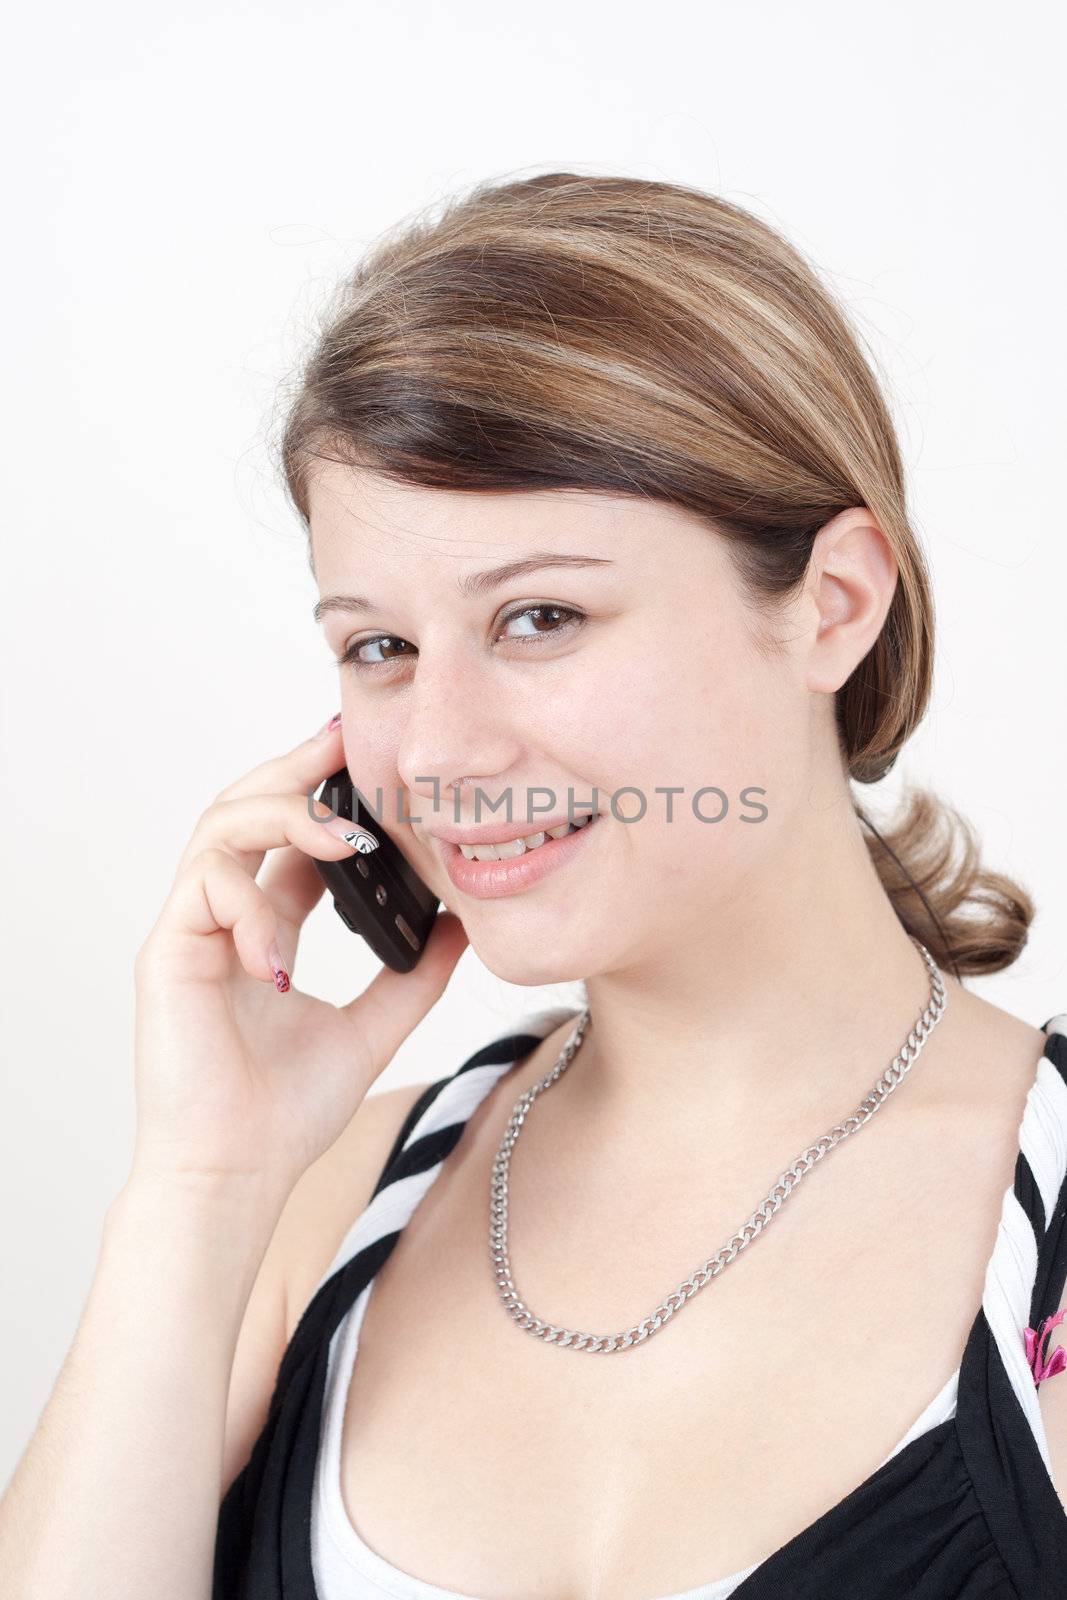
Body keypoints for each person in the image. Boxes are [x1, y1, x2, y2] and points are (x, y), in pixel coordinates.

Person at [2, 172, 1065, 1600]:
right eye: (378, 648)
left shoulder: (1034, 1241)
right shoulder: (321, 1206)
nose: (436, 750)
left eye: (541, 617)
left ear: (833, 604)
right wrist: (203, 1183)